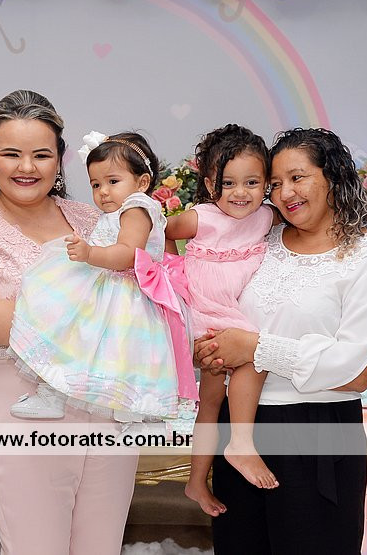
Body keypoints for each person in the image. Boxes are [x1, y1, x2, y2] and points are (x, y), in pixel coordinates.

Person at [0, 90, 139, 554]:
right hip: (22, 410)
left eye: (41, 155)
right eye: (12, 154)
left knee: (102, 547)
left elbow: (137, 287)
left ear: (59, 160)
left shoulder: (93, 221)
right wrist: (101, 313)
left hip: (107, 407)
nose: (26, 167)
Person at [194, 128, 367, 554]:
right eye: (274, 183)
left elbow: (354, 368)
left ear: (333, 176)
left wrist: (254, 347)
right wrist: (207, 348)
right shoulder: (259, 241)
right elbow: (215, 304)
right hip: (241, 428)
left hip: (318, 434)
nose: (285, 193)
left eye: (297, 177)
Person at [8, 130, 196, 421]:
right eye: (96, 184)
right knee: (76, 340)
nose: (103, 192)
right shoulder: (123, 209)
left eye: (112, 181)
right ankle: (54, 394)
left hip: (127, 295)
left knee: (107, 351)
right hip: (110, 286)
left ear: (142, 182)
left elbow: (128, 254)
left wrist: (90, 254)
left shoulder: (137, 208)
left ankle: (134, 416)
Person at [164, 124, 277, 519]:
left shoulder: (267, 217)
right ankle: (241, 443)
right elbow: (165, 231)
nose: (240, 192)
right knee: (255, 356)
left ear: (267, 183)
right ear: (211, 184)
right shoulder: (202, 218)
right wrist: (174, 275)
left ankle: (196, 482)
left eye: (251, 182)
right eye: (228, 183)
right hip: (208, 310)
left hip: (233, 308)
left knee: (210, 403)